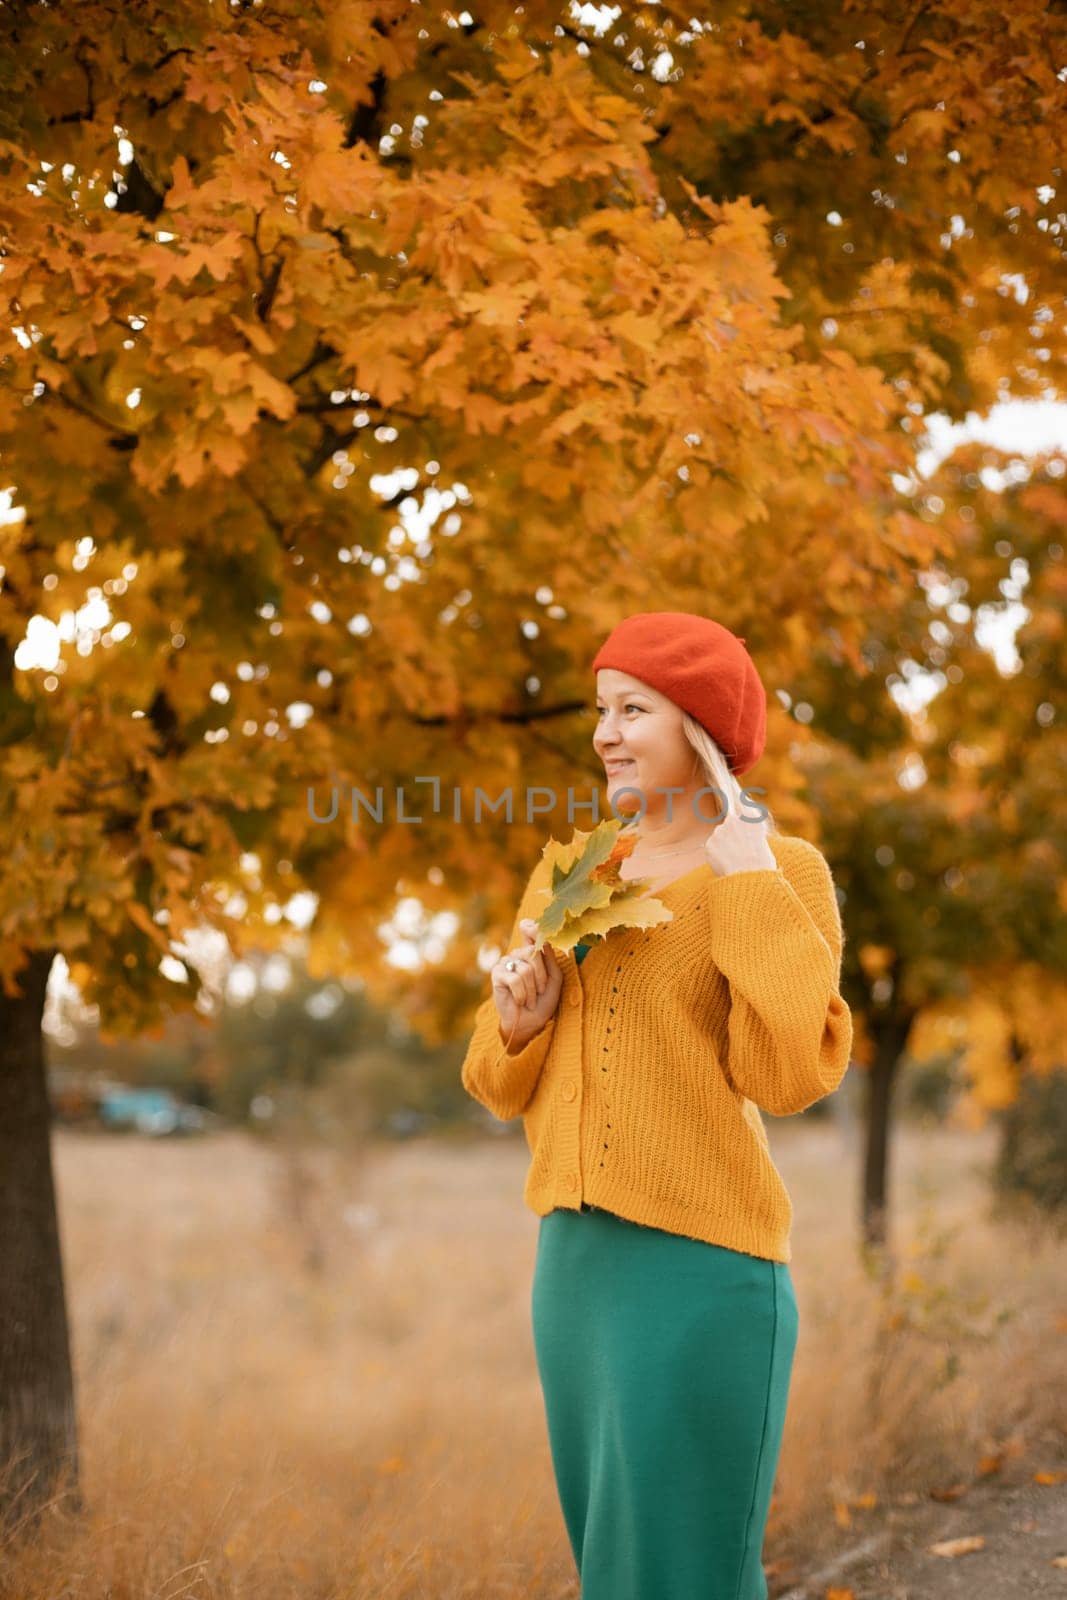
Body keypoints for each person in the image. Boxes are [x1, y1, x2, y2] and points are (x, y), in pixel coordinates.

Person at [460, 611, 853, 1600]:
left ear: (697, 725)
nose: (603, 732)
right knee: (612, 1568)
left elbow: (789, 1076)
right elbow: (493, 1082)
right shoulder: (572, 873)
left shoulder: (780, 869)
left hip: (701, 1266)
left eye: (631, 708)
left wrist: (751, 886)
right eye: (600, 709)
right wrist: (517, 1020)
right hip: (574, 1267)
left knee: (686, 1571)